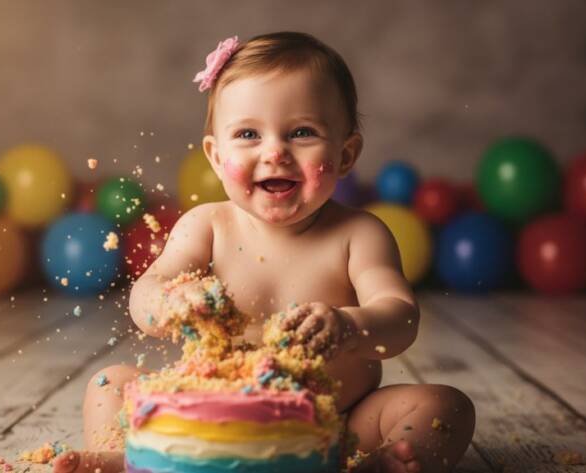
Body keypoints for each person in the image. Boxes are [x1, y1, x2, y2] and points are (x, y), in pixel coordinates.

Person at [54, 31, 475, 473]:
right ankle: (128, 456)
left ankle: (380, 464)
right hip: (207, 423)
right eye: (249, 134)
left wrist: (349, 326)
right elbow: (146, 295)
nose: (275, 152)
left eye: (302, 133)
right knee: (110, 382)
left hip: (334, 423)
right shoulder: (206, 226)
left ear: (346, 154)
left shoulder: (359, 234)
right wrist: (170, 300)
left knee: (444, 405)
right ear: (216, 157)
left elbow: (401, 318)